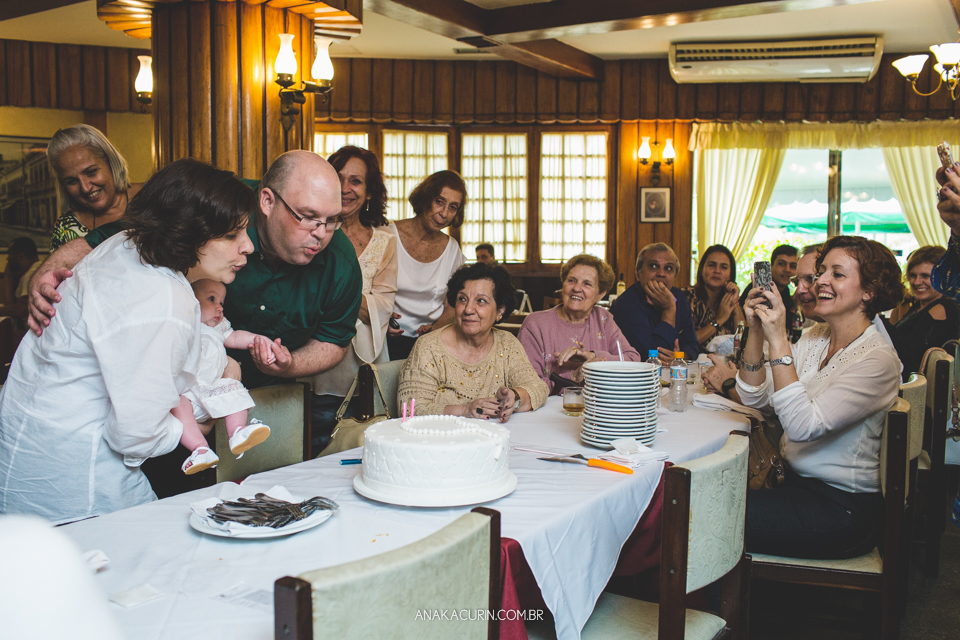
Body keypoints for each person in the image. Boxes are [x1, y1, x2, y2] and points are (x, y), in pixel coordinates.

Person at [27, 150, 362, 460]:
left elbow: (334, 341)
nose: (322, 233)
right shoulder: (219, 208)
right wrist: (42, 281)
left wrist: (289, 365)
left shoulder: (341, 261)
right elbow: (121, 238)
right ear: (266, 200)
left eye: (332, 220)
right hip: (162, 405)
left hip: (261, 402)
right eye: (308, 217)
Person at [0, 158, 256, 523]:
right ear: (187, 231)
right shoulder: (166, 298)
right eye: (232, 235)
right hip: (76, 481)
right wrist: (196, 424)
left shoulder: (123, 245)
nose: (247, 246)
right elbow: (135, 434)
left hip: (23, 451)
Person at [736, 235, 904, 559]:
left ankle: (710, 607)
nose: (820, 281)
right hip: (794, 484)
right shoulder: (816, 338)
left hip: (841, 510)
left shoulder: (878, 360)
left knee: (708, 513)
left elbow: (802, 427)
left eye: (836, 274)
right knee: (706, 498)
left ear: (868, 292)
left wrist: (779, 339)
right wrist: (756, 329)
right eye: (821, 272)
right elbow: (753, 397)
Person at [308, 146, 397, 439]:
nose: (346, 188)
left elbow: (384, 303)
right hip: (316, 353)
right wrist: (358, 302)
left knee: (363, 439)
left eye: (356, 181)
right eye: (339, 177)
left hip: (368, 358)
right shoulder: (312, 231)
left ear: (370, 192)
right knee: (315, 438)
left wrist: (333, 297)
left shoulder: (385, 241)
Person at [398, 263, 547, 421]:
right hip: (439, 440)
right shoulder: (429, 347)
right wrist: (464, 410)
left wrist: (514, 397)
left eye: (481, 301)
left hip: (492, 439)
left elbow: (538, 388)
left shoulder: (507, 344)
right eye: (462, 299)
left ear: (500, 310)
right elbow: (410, 411)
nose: (468, 309)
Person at [176, 280, 274, 475]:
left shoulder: (219, 328)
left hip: (212, 391)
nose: (219, 307)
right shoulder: (185, 324)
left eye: (221, 302)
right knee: (176, 401)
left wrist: (262, 341)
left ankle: (237, 431)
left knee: (233, 386)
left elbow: (237, 337)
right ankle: (200, 448)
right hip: (189, 392)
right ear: (191, 302)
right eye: (212, 299)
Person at [518, 253, 640, 393]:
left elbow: (633, 360)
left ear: (599, 295)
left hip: (600, 407)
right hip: (550, 409)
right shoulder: (536, 324)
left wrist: (594, 356)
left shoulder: (604, 320)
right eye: (571, 280)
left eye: (587, 284)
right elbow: (527, 383)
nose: (576, 288)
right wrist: (573, 377)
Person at [387, 170, 467, 361]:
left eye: (453, 207)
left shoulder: (452, 250)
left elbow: (453, 305)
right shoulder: (387, 234)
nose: (444, 214)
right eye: (439, 202)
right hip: (384, 338)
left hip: (432, 343)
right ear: (425, 199)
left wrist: (436, 329)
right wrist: (380, 319)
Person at [46, 124, 143, 250]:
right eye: (71, 181)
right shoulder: (66, 228)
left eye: (91, 172)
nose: (85, 188)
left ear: (110, 162)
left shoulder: (152, 196)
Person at [610, 242, 699, 359]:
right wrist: (669, 309)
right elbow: (653, 357)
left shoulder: (679, 296)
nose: (661, 273)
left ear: (674, 276)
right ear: (638, 273)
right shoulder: (625, 304)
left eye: (668, 268)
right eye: (653, 266)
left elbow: (692, 346)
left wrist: (679, 357)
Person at [892, 245, 960, 381]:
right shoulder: (918, 306)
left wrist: (872, 314)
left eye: (925, 276)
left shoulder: (943, 307)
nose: (917, 282)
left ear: (942, 278)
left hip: (918, 392)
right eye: (913, 275)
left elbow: (909, 353)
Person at [683, 244, 744, 349]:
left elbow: (743, 340)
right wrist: (719, 320)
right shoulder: (687, 296)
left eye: (724, 267)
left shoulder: (728, 300)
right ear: (701, 269)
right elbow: (685, 341)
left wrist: (734, 301)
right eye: (712, 265)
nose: (717, 271)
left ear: (730, 274)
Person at [739, 244, 799, 331]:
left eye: (793, 266)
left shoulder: (786, 292)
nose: (787, 270)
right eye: (782, 264)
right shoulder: (757, 289)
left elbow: (790, 327)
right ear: (771, 266)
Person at [0, 238, 42, 324]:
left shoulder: (32, 274)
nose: (7, 258)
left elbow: (23, 310)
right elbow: (11, 306)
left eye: (10, 254)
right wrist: (8, 277)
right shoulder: (37, 268)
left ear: (20, 256)